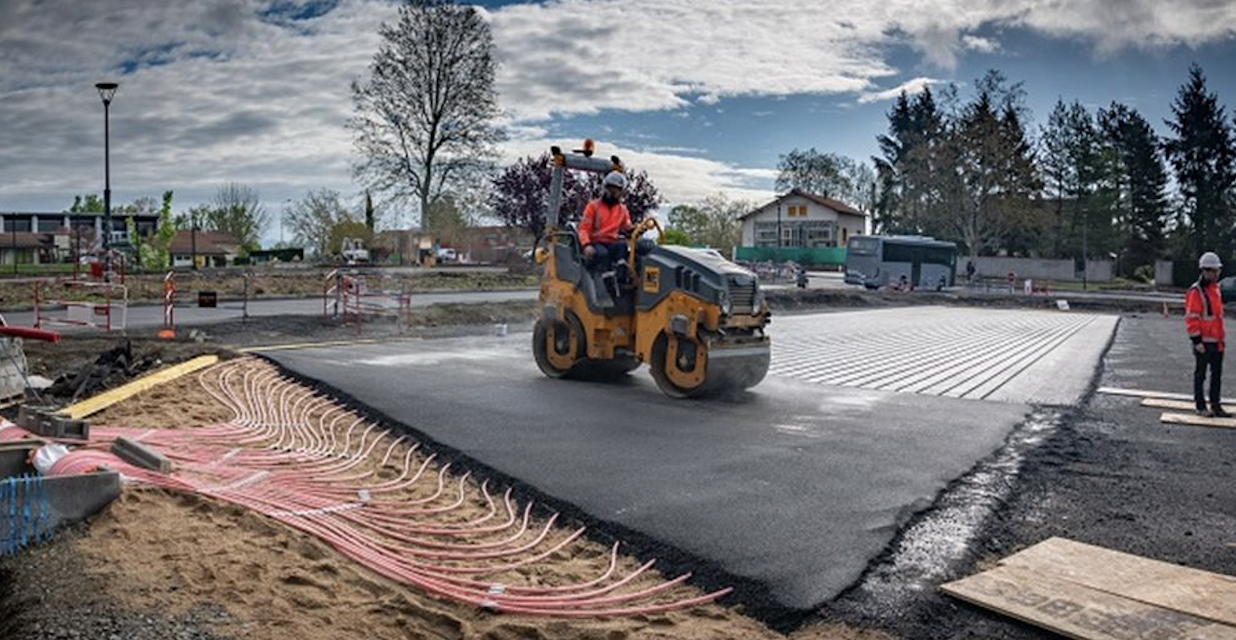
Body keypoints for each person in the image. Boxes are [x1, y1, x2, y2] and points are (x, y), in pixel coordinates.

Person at [1186, 251, 1229, 418]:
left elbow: (1216, 318)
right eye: (1215, 271)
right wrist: (1197, 341)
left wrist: (1221, 339)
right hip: (1203, 342)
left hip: (1217, 341)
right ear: (1206, 271)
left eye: (1218, 271)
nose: (1218, 274)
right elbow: (1192, 318)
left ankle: (1215, 405)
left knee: (1216, 376)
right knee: (1200, 374)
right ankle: (1200, 406)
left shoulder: (1215, 289)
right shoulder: (1196, 292)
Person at [579, 171, 633, 274]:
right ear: (606, 189)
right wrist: (586, 245)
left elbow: (627, 226)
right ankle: (606, 282)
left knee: (622, 247)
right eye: (612, 190)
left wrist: (635, 230)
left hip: (612, 242)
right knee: (603, 254)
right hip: (596, 242)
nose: (615, 194)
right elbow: (583, 228)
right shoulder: (593, 206)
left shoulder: (622, 209)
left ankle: (622, 274)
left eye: (618, 191)